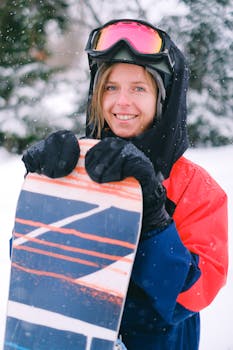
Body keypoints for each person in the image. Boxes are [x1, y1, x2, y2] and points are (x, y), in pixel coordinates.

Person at [21, 19, 228, 350]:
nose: (122, 103)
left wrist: (153, 219)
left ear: (165, 98)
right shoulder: (78, 165)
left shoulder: (196, 188)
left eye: (139, 88)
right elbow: (32, 271)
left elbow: (193, 295)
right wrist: (43, 194)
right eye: (110, 87)